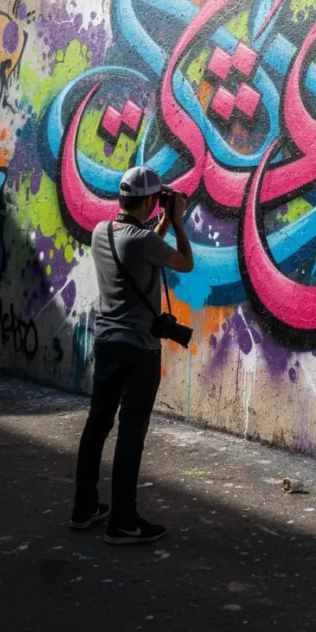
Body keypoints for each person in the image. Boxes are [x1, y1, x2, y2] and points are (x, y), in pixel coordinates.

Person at [69, 166, 193, 544]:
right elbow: (184, 262)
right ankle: (123, 521)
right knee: (130, 434)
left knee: (97, 425)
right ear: (151, 201)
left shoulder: (102, 232)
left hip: (106, 343)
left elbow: (139, 253)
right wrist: (178, 223)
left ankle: (84, 507)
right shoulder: (142, 241)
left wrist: (161, 224)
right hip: (138, 350)